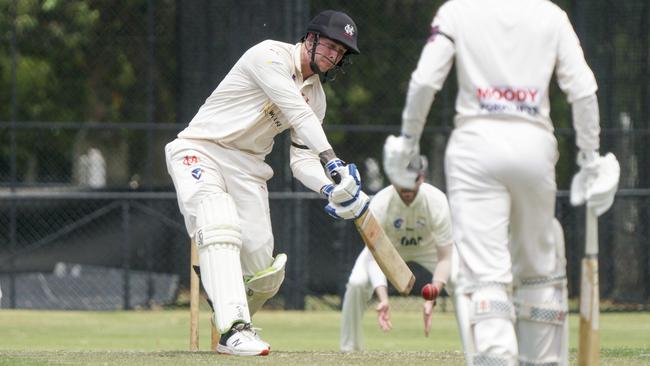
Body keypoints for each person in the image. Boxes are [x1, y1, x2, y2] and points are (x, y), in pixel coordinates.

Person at [383, 1, 619, 365]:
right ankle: (541, 359)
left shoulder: (457, 12)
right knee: (539, 269)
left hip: (475, 144)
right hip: (535, 145)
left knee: (485, 274)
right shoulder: (551, 16)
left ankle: (497, 355)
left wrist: (408, 142)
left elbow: (426, 80)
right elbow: (584, 89)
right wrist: (589, 158)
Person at [165, 10, 369, 356]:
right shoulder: (268, 56)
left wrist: (330, 188)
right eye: (330, 46)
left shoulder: (317, 97)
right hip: (202, 149)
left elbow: (302, 160)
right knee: (219, 222)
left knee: (264, 273)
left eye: (340, 53)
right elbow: (296, 112)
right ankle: (234, 331)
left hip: (248, 167)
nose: (334, 57)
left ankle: (226, 299)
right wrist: (333, 162)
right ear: (311, 38)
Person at [340, 157, 454, 352]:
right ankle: (350, 349)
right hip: (388, 249)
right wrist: (383, 298)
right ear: (393, 179)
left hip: (429, 248)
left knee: (462, 279)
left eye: (413, 180)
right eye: (403, 180)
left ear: (421, 179)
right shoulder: (380, 203)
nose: (408, 187)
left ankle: (477, 348)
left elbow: (446, 257)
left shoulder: (437, 200)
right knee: (357, 283)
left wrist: (433, 295)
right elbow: (375, 255)